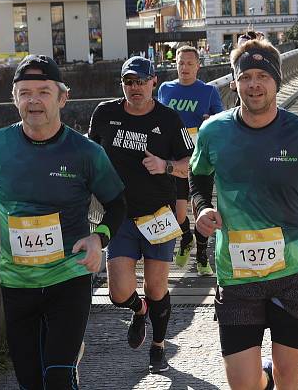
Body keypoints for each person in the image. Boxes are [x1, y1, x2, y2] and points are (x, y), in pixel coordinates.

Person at [190, 39, 298, 390]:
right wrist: (202, 207)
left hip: (293, 271)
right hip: (236, 275)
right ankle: (262, 378)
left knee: (289, 379)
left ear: (277, 81)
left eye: (262, 76)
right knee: (244, 385)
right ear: (235, 82)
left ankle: (274, 377)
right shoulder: (214, 132)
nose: (254, 84)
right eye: (246, 77)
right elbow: (198, 175)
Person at [0, 55, 127, 389]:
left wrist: (99, 238)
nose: (33, 100)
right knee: (29, 382)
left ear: (62, 98)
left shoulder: (86, 152)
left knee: (57, 378)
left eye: (43, 92)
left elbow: (117, 203)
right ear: (14, 99)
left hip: (69, 277)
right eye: (24, 92)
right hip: (17, 281)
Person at [88, 56, 194, 373]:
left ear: (154, 82)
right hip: (118, 215)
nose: (135, 88)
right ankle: (138, 308)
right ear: (123, 84)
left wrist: (166, 167)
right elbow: (87, 156)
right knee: (119, 292)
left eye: (141, 81)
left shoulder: (170, 119)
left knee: (157, 286)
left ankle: (158, 347)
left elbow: (192, 165)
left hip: (158, 214)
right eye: (129, 82)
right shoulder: (104, 114)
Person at [157, 45, 225, 275]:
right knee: (177, 214)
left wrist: (211, 119)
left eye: (189, 63)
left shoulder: (208, 91)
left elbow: (222, 120)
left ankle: (202, 257)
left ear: (198, 65)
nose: (184, 67)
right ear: (175, 64)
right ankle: (186, 239)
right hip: (173, 160)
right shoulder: (165, 89)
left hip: (199, 161)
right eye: (181, 63)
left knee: (200, 210)